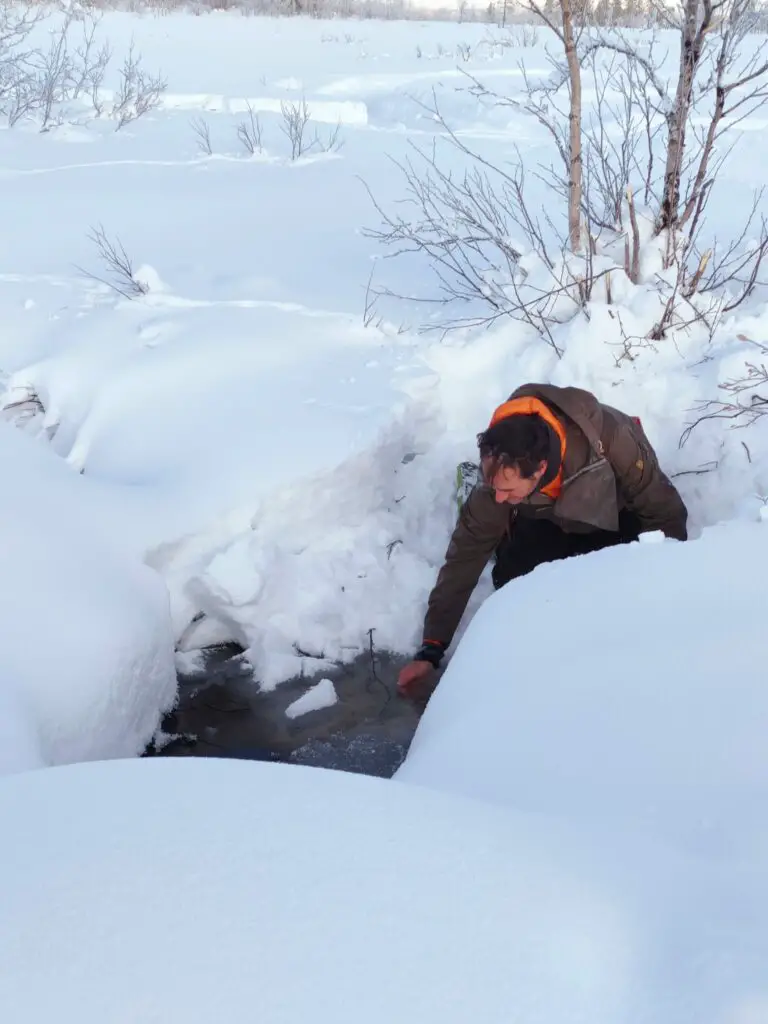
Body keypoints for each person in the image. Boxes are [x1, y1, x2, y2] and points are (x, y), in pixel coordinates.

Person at [397, 383, 689, 696]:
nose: (499, 495)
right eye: (493, 485)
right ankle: (475, 501)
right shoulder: (499, 474)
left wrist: (669, 602)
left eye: (507, 489)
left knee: (613, 592)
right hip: (543, 519)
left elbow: (664, 513)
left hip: (609, 517)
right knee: (513, 583)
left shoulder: (614, 440)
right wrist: (431, 649)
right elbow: (464, 558)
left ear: (540, 468)